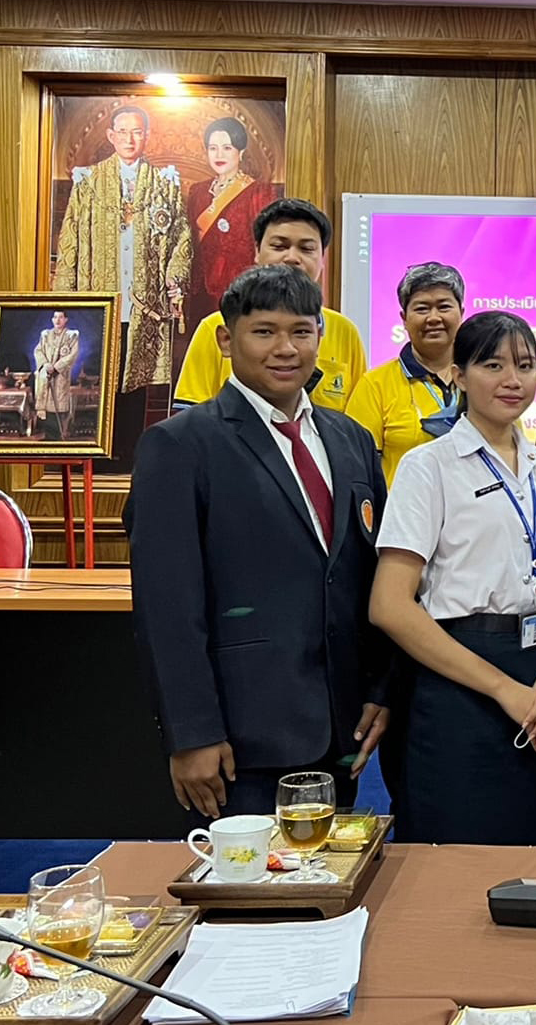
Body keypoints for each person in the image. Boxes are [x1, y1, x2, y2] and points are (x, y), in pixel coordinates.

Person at [125, 265, 394, 820]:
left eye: (301, 330)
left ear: (322, 336)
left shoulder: (352, 442)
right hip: (237, 740)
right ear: (227, 340)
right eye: (264, 331)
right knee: (244, 898)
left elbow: (377, 580)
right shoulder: (179, 446)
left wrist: (381, 689)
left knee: (326, 892)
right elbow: (166, 606)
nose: (286, 348)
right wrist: (191, 732)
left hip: (341, 730)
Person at [369, 311, 536, 844]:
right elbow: (390, 605)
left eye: (523, 364)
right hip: (461, 681)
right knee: (455, 860)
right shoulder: (430, 466)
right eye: (492, 365)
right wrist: (501, 689)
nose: (512, 380)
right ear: (457, 375)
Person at [53, 105, 192, 414]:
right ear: (111, 136)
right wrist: (64, 296)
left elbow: (181, 236)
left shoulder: (164, 182)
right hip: (99, 298)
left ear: (146, 136)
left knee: (134, 383)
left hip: (143, 302)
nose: (130, 139)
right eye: (124, 132)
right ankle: (98, 460)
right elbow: (69, 240)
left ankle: (130, 459)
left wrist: (174, 279)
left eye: (137, 132)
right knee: (96, 378)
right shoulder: (88, 182)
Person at [174, 198, 368, 416]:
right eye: (279, 246)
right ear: (257, 251)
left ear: (322, 258)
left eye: (306, 248)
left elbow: (354, 424)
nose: (292, 258)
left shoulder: (345, 331)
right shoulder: (216, 327)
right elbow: (190, 421)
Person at [347, 262, 466, 483]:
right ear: (404, 318)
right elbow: (357, 468)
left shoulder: (482, 379)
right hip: (404, 513)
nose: (433, 318)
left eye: (444, 307)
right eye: (422, 308)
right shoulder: (375, 385)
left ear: (462, 313)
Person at [184, 116, 278, 325]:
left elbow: (264, 245)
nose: (219, 155)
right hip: (199, 293)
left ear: (240, 152)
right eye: (213, 148)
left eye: (227, 147)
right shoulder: (197, 191)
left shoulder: (259, 193)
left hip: (240, 291)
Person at [32, 309, 81, 442]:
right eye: (55, 317)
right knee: (46, 404)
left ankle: (58, 436)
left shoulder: (72, 336)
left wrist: (56, 367)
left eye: (60, 317)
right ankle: (48, 436)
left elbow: (72, 355)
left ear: (66, 320)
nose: (57, 320)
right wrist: (46, 364)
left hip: (60, 376)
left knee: (58, 405)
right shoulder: (45, 335)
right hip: (46, 374)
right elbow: (38, 351)